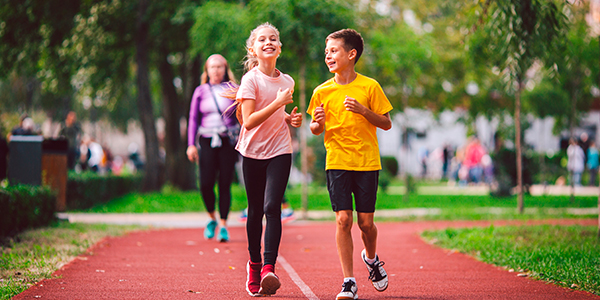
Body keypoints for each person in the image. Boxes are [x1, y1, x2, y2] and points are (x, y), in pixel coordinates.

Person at [307, 28, 392, 300]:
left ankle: (371, 258)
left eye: (333, 51)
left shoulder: (370, 86)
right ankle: (348, 281)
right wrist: (317, 123)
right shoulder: (321, 91)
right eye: (326, 52)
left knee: (366, 224)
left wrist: (364, 111)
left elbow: (386, 123)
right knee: (343, 220)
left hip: (367, 162)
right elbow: (315, 129)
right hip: (338, 161)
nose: (328, 56)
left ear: (351, 54)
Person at [228, 23, 302, 297]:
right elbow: (248, 121)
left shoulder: (288, 81)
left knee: (273, 207)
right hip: (252, 152)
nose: (268, 42)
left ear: (279, 48)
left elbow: (276, 113)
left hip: (280, 150)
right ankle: (254, 265)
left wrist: (289, 118)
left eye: (273, 39)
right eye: (262, 39)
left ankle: (269, 268)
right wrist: (277, 105)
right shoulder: (251, 80)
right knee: (255, 210)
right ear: (253, 49)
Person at [186, 54, 239, 243]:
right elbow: (193, 119)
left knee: (225, 183)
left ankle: (223, 225)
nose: (216, 70)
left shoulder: (234, 89)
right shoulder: (200, 91)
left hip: (227, 142)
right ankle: (211, 217)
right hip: (207, 141)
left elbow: (242, 116)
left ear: (225, 69)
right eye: (212, 67)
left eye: (219, 67)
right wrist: (191, 144)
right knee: (206, 183)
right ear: (206, 70)